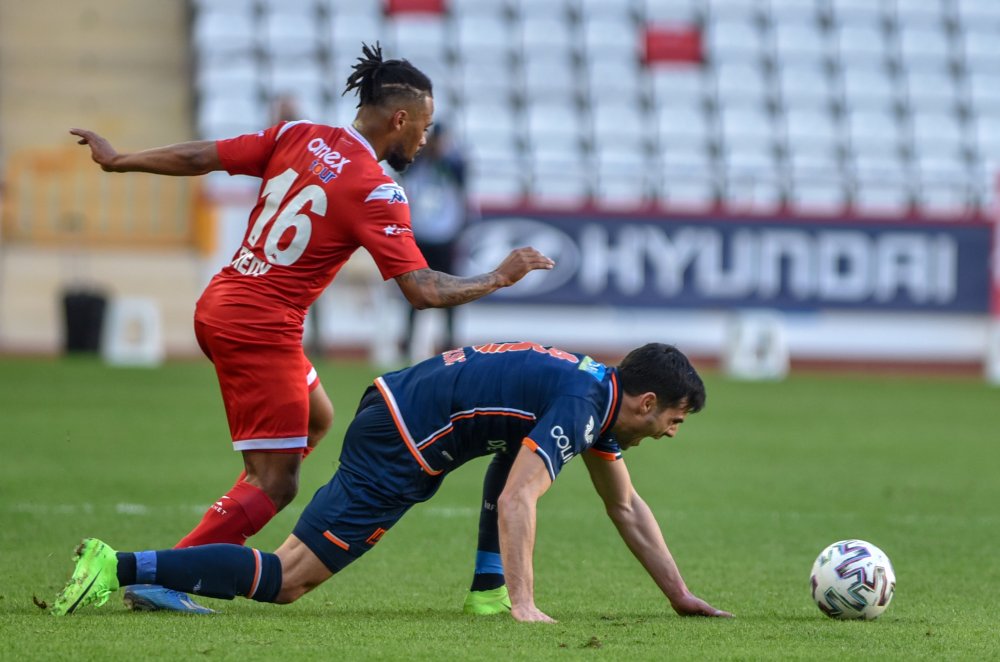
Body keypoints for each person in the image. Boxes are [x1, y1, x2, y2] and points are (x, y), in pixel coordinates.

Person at [67, 42, 554, 613]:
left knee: (318, 417)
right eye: (422, 129)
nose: (423, 141)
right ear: (399, 119)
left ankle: (178, 566)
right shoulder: (376, 189)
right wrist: (497, 277)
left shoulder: (297, 134)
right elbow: (421, 291)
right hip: (260, 324)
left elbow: (206, 156)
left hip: (226, 298)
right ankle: (167, 576)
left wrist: (121, 159)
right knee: (277, 481)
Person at [50, 341, 732, 622]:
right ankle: (120, 566)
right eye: (674, 419)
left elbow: (627, 509)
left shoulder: (596, 400)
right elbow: (523, 495)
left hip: (408, 409)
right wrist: (532, 605)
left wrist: (680, 596)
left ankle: (486, 594)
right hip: (403, 438)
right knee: (289, 579)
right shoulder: (584, 407)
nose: (673, 431)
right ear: (645, 403)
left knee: (513, 453)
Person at [398, 122, 470, 357]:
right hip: (422, 234)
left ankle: (449, 341)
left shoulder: (453, 164)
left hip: (444, 235)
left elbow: (461, 178)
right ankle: (408, 340)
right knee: (415, 289)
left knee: (449, 290)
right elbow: (403, 169)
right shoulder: (419, 162)